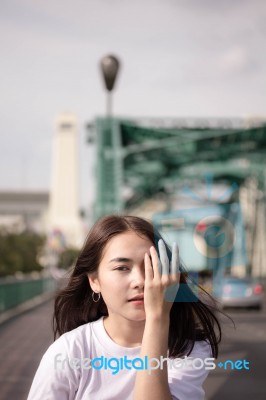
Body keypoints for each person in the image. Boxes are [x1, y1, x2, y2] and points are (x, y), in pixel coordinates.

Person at [27, 215, 221, 400]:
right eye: (122, 268)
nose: (140, 281)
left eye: (151, 267)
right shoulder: (70, 351)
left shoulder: (189, 349)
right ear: (94, 281)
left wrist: (158, 318)